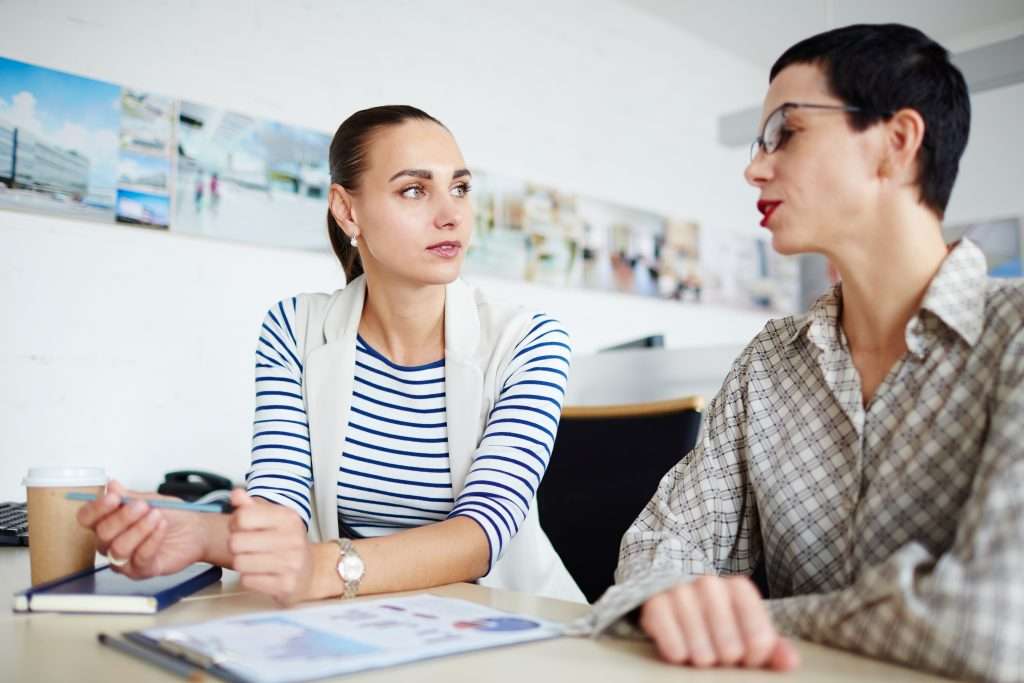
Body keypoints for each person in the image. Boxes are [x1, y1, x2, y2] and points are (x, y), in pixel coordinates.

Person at [573, 23, 1024, 683]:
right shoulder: (771, 362)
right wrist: (670, 597)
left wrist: (744, 616)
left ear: (895, 144)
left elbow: (992, 625)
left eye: (786, 131)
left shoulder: (1013, 339)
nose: (754, 166)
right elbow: (656, 551)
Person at [78, 105, 584, 605]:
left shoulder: (528, 342)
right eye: (415, 190)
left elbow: (481, 535)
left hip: (508, 625)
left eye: (460, 188)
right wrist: (196, 535)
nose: (451, 215)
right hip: (358, 623)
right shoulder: (294, 329)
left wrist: (322, 569)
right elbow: (281, 509)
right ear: (347, 210)